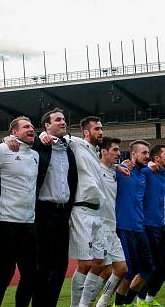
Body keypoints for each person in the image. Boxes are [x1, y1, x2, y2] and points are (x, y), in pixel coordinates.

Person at [0, 116, 39, 307]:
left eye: (32, 126)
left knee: (31, 274)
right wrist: (3, 141)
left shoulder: (35, 155)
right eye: (26, 126)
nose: (31, 128)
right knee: (4, 274)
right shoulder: (2, 150)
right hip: (3, 221)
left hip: (28, 222)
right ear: (14, 133)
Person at [31, 108, 78, 307]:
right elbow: (17, 139)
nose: (63, 122)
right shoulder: (38, 145)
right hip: (43, 211)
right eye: (58, 120)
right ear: (47, 126)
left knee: (61, 265)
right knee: (44, 264)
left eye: (64, 120)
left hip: (62, 212)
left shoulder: (68, 148)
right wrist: (39, 137)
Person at [67, 116, 108, 307]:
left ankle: (84, 304)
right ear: (86, 132)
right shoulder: (76, 144)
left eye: (101, 129)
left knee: (99, 262)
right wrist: (44, 136)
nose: (101, 132)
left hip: (97, 212)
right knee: (86, 264)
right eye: (97, 129)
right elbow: (52, 136)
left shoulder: (95, 151)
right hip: (81, 210)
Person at [112, 140, 154, 306]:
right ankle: (117, 303)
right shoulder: (122, 171)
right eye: (143, 153)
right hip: (124, 226)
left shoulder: (144, 174)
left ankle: (127, 302)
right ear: (133, 154)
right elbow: (102, 164)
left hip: (140, 227)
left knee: (147, 269)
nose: (147, 156)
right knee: (129, 270)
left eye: (148, 153)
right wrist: (118, 165)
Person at [137, 144, 165, 307]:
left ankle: (150, 298)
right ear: (156, 158)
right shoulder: (147, 171)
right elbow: (130, 169)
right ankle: (140, 299)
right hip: (147, 225)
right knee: (150, 266)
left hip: (162, 225)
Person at [94, 137, 128, 307]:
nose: (118, 153)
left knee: (122, 269)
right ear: (103, 151)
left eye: (118, 150)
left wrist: (118, 167)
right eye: (115, 150)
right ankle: (88, 302)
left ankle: (102, 302)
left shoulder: (115, 171)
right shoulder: (94, 168)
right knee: (103, 269)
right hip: (98, 225)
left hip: (112, 225)